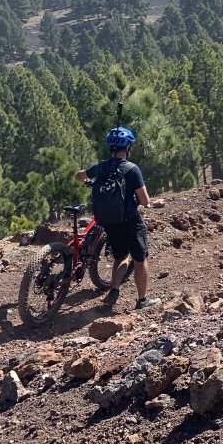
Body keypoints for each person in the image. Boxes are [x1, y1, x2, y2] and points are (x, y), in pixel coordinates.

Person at [75, 126, 160, 310]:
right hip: (130, 221)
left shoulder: (102, 166)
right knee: (140, 258)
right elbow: (145, 201)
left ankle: (114, 289)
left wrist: (86, 181)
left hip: (109, 222)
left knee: (120, 256)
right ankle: (142, 300)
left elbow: (79, 175)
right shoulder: (132, 169)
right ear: (128, 147)